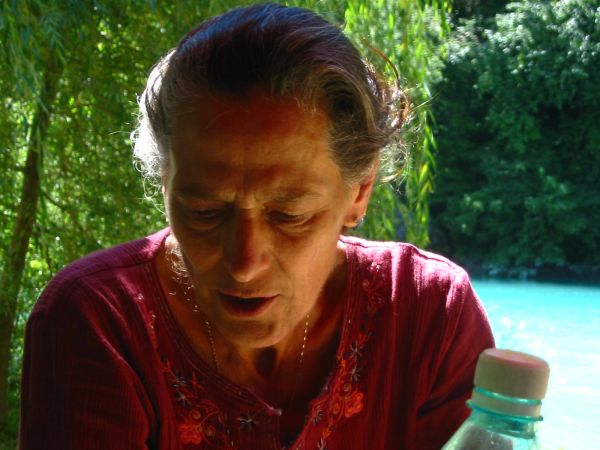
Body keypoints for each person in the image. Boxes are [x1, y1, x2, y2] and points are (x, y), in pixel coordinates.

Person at [19, 3, 494, 449]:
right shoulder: (99, 321)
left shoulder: (429, 313)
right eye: (204, 211)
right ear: (164, 182)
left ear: (359, 191)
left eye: (290, 216)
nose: (244, 263)